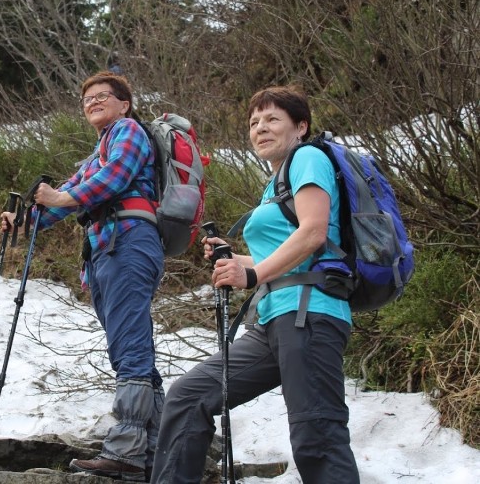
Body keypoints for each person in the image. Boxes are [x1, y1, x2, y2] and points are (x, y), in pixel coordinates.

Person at [150, 86, 360, 483]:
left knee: (317, 437)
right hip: (273, 322)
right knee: (188, 396)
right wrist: (237, 260)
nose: (260, 128)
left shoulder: (308, 158)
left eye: (272, 119)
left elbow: (314, 233)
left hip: (310, 314)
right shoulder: (276, 181)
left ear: (301, 126)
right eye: (254, 122)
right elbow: (279, 255)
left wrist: (250, 274)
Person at [1, 71, 165, 482]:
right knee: (130, 346)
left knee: (129, 347)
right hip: (109, 250)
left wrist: (64, 197)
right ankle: (162, 446)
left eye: (102, 96)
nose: (92, 102)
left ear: (124, 104)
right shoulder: (96, 156)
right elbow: (61, 201)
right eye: (87, 98)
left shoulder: (127, 131)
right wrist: (22, 220)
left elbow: (116, 178)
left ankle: (127, 453)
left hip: (128, 242)